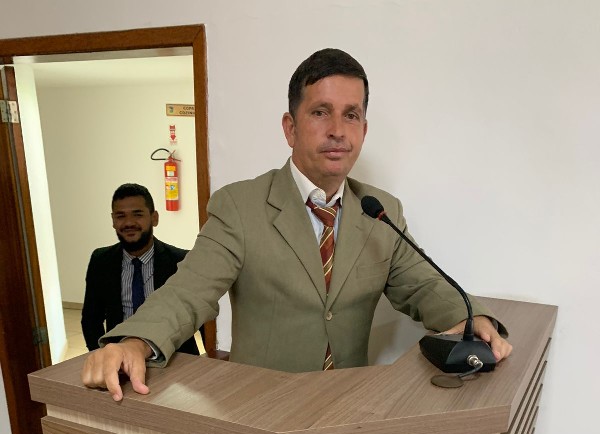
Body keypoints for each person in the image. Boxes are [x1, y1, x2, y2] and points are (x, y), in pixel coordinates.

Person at [82, 49, 512, 401]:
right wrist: (134, 341)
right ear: (290, 128)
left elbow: (423, 286)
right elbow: (188, 291)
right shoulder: (238, 206)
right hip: (261, 411)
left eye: (351, 115)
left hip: (348, 407)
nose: (338, 130)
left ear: (364, 130)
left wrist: (472, 317)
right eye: (321, 112)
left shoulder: (381, 211)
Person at [80, 182, 203, 356]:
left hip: (174, 356)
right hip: (120, 356)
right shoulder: (101, 260)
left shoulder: (180, 261)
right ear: (113, 221)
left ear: (154, 218)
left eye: (137, 214)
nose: (129, 222)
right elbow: (91, 319)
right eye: (120, 216)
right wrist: (102, 355)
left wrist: (214, 360)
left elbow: (201, 318)